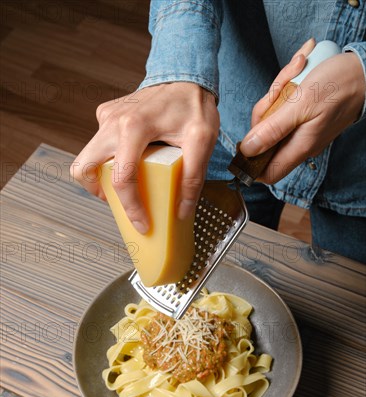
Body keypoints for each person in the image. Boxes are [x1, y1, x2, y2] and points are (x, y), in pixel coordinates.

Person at [72, 0, 366, 263]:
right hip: (224, 119)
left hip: (359, 176)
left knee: (346, 310)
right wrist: (178, 70)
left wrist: (361, 74)